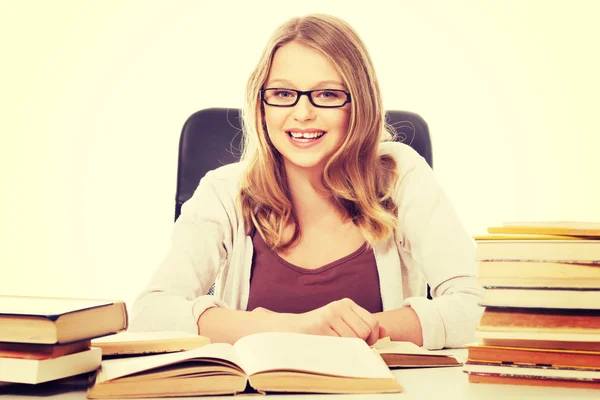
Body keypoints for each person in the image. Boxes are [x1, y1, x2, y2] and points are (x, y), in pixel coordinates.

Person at [129, 13, 483, 350]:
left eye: (327, 94)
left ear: (359, 103)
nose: (302, 113)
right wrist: (298, 327)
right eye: (283, 94)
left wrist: (361, 330)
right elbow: (150, 314)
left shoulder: (400, 176)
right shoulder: (223, 191)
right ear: (262, 104)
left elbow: (478, 308)